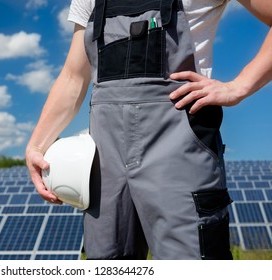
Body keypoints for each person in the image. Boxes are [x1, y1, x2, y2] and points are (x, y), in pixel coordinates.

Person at [26, 0, 272, 260]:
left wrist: (239, 86)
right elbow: (74, 75)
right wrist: (36, 145)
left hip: (179, 151)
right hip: (105, 164)